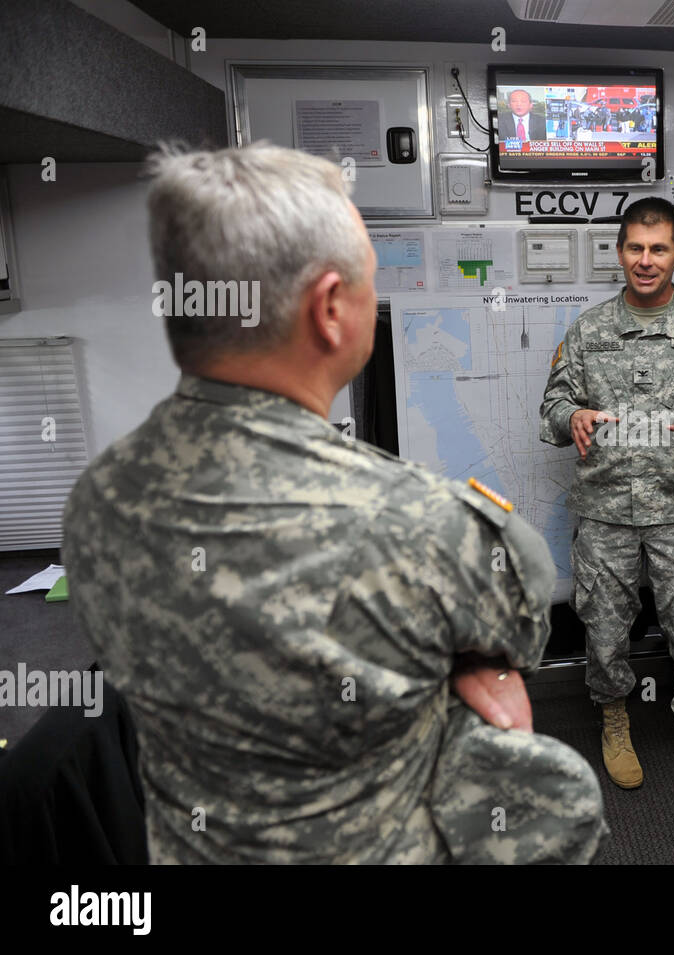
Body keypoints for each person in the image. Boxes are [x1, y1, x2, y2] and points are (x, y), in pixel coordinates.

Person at [62, 143, 606, 864]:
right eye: (368, 285)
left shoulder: (98, 499)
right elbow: (526, 620)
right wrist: (464, 664)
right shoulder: (422, 525)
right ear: (328, 310)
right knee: (561, 791)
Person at [539, 197, 674, 803]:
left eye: (659, 249)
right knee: (604, 631)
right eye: (635, 247)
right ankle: (614, 718)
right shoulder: (589, 330)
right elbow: (552, 410)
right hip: (606, 509)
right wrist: (572, 415)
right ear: (620, 252)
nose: (646, 260)